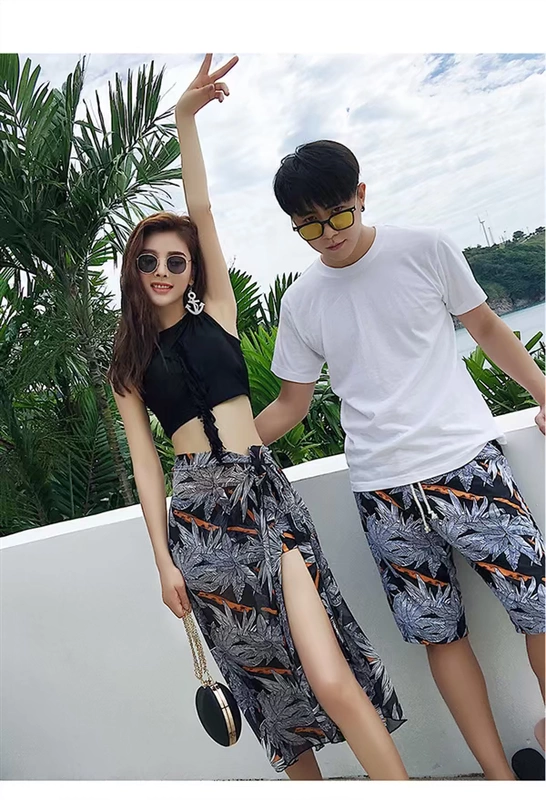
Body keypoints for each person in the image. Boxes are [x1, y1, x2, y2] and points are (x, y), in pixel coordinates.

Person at [108, 57, 408, 781]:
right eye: (149, 261)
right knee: (274, 701)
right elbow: (148, 469)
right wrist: (163, 561)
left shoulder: (219, 314)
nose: (163, 271)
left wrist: (184, 120)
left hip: (263, 495)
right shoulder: (128, 364)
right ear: (133, 270)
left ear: (193, 272)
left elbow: (203, 210)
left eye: (177, 262)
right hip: (199, 523)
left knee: (330, 678)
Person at [255, 139, 545, 781]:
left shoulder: (425, 248)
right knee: (441, 637)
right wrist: (219, 453)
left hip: (466, 464)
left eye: (337, 214)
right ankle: (499, 779)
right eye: (308, 225)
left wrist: (544, 393)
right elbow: (291, 404)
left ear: (361, 195)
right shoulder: (301, 302)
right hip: (382, 491)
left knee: (541, 606)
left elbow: (486, 327)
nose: (328, 234)